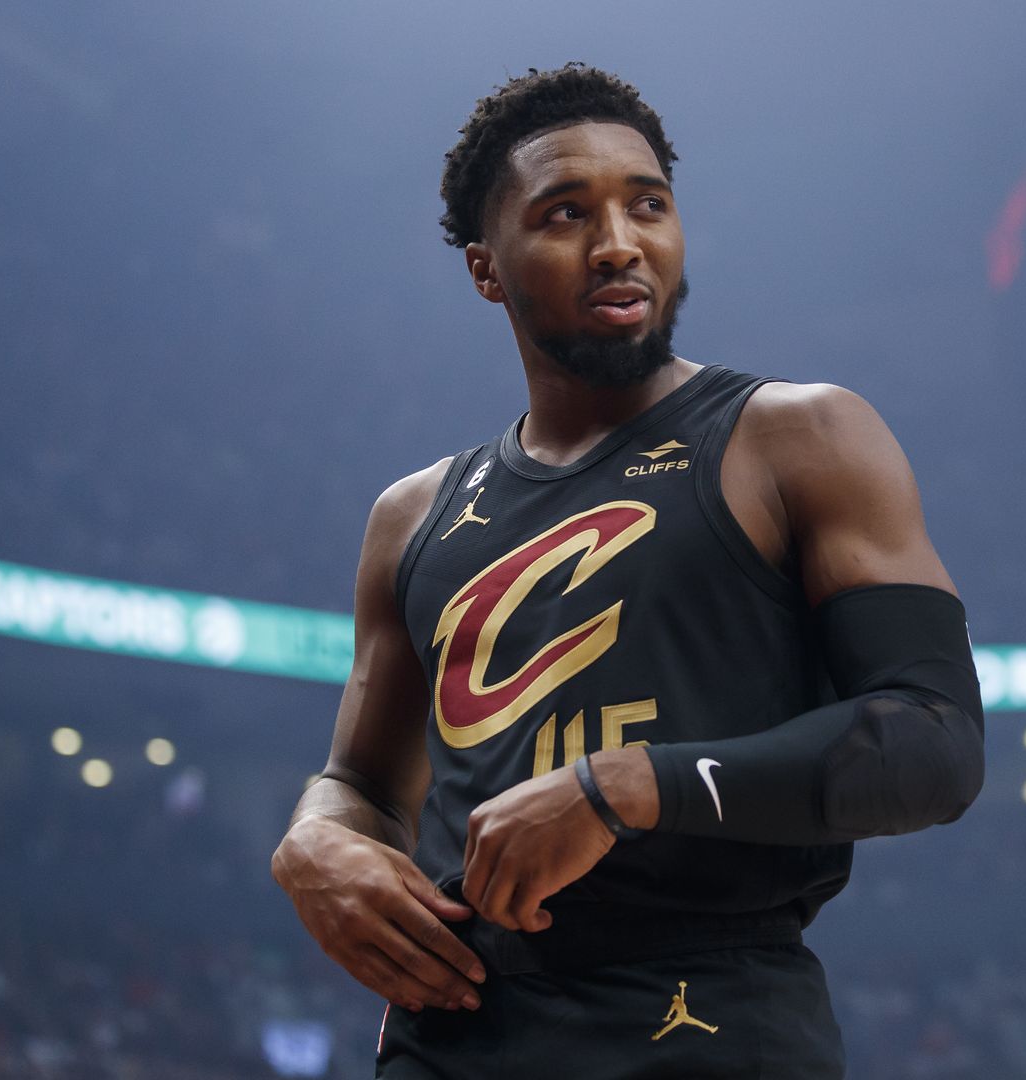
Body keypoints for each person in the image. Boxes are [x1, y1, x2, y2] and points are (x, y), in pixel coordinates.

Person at [272, 63, 986, 1078]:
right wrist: (311, 842)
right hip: (456, 1028)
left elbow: (937, 742)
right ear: (487, 268)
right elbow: (362, 786)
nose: (619, 244)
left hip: (708, 1013)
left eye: (646, 204)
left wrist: (631, 786)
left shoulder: (800, 436)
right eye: (565, 214)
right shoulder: (413, 515)